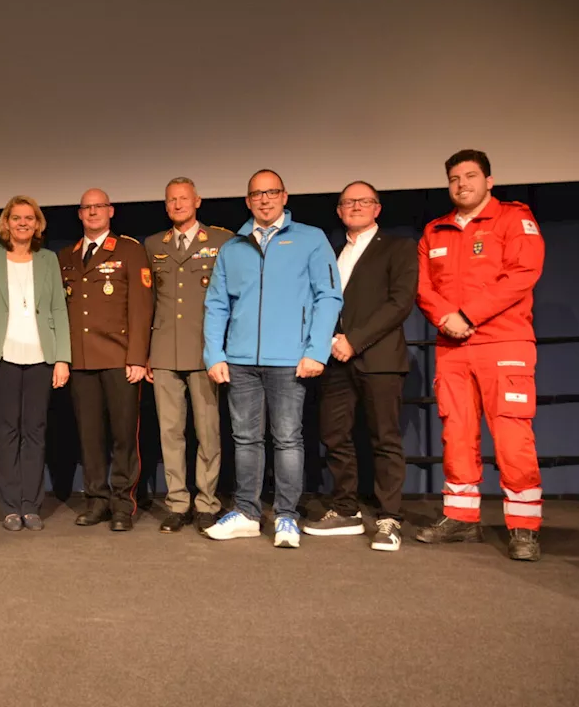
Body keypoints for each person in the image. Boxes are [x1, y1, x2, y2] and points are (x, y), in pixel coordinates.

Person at [415, 149, 546, 561]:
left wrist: (468, 314)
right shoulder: (434, 230)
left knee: (512, 435)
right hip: (453, 348)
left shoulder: (513, 218)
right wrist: (447, 319)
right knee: (456, 431)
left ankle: (523, 527)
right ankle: (461, 518)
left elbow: (523, 274)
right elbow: (423, 289)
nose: (462, 185)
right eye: (454, 178)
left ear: (488, 181)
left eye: (470, 176)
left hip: (504, 343)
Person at [202, 169, 342, 548]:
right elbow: (216, 304)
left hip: (289, 360)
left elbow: (328, 297)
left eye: (271, 192)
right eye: (256, 194)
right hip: (241, 360)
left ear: (284, 196)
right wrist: (215, 353)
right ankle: (247, 513)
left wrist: (315, 351)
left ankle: (285, 517)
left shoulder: (311, 239)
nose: (264, 200)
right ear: (248, 201)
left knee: (287, 439)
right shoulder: (234, 247)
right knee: (245, 440)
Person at [304, 181, 417, 551]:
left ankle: (389, 518)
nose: (355, 207)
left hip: (379, 358)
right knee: (335, 436)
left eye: (363, 201)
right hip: (335, 360)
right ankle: (346, 510)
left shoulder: (398, 248)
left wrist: (355, 340)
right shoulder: (331, 252)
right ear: (338, 211)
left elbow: (400, 303)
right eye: (348, 202)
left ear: (377, 208)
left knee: (384, 438)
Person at [0, 195, 71, 532]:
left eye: (30, 218)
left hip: (41, 357)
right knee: (6, 432)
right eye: (17, 218)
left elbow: (59, 309)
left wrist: (62, 359)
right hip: (1, 358)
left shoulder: (48, 261)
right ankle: (10, 506)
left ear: (38, 224)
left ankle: (31, 505)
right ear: (6, 223)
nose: (23, 223)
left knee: (35, 432)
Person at [57, 188, 152, 531]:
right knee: (89, 435)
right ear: (80, 214)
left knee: (124, 435)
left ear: (111, 211)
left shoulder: (129, 250)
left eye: (99, 206)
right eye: (87, 208)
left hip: (119, 359)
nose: (93, 212)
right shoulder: (66, 255)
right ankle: (96, 501)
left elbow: (141, 308)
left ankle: (123, 503)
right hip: (81, 361)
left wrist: (138, 357)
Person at [143, 177, 233, 534]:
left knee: (208, 431)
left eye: (184, 198)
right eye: (171, 200)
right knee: (170, 432)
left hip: (204, 350)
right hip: (164, 350)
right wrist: (145, 353)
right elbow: (148, 301)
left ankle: (207, 502)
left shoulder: (222, 241)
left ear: (197, 201)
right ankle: (178, 503)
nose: (178, 204)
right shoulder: (153, 244)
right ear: (166, 206)